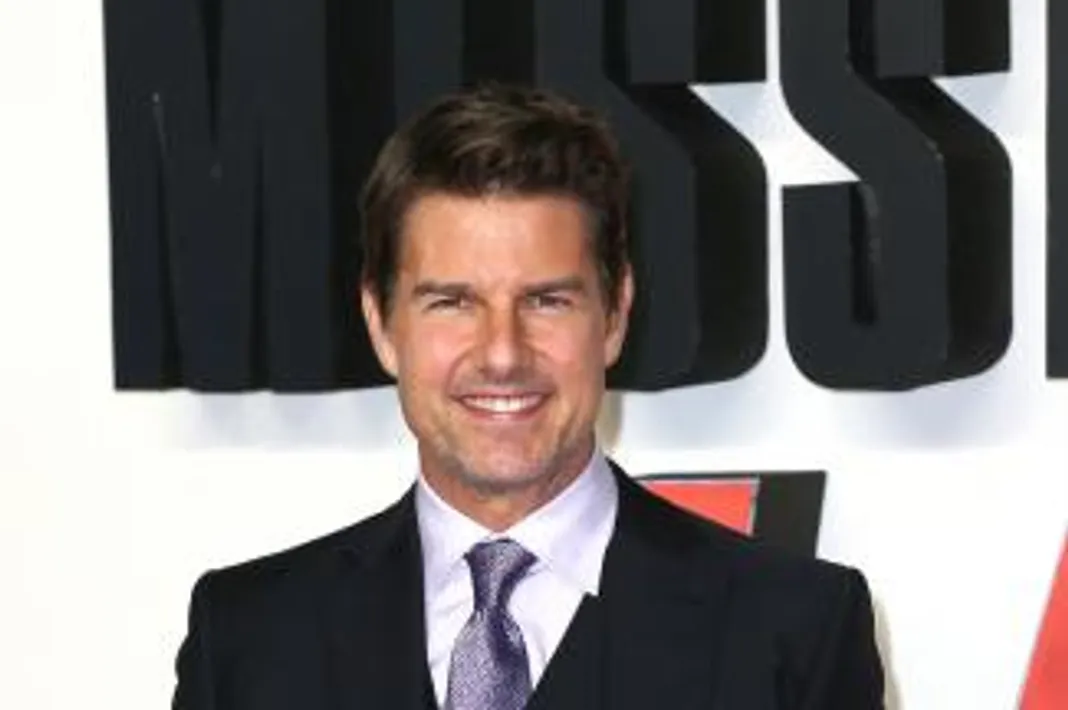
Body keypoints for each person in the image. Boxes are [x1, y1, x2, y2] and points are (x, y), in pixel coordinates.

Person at [172, 83, 885, 709]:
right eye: (452, 302)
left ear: (615, 315)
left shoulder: (794, 632)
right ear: (382, 326)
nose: (503, 354)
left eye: (546, 300)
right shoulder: (248, 640)